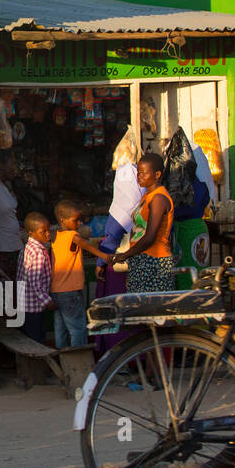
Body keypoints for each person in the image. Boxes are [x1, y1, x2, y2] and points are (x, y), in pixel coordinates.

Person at [94, 128, 144, 356]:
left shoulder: (122, 206)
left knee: (117, 311)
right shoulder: (146, 200)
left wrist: (99, 262)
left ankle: (117, 356)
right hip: (140, 262)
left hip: (119, 266)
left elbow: (112, 236)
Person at [49, 200, 111, 349]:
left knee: (61, 329)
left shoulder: (55, 236)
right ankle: (79, 361)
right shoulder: (72, 236)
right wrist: (105, 256)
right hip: (70, 291)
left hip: (56, 290)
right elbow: (87, 245)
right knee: (78, 329)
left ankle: (63, 360)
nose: (79, 223)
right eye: (75, 220)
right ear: (63, 220)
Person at [115, 153, 175, 293]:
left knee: (152, 309)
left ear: (157, 174)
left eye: (144, 173)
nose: (139, 177)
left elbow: (149, 238)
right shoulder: (147, 196)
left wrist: (125, 254)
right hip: (141, 259)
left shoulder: (159, 198)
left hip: (154, 262)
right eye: (138, 173)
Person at [17, 213, 55, 344]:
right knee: (37, 339)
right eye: (43, 232)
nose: (48, 234)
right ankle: (37, 364)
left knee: (28, 338)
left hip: (24, 303)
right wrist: (47, 301)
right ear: (31, 233)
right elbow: (34, 282)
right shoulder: (38, 253)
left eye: (48, 230)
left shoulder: (27, 248)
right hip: (34, 305)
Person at [0, 149, 24, 283]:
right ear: (1, 165)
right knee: (8, 292)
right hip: (3, 250)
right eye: (12, 163)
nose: (14, 168)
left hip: (15, 246)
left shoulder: (6, 185)